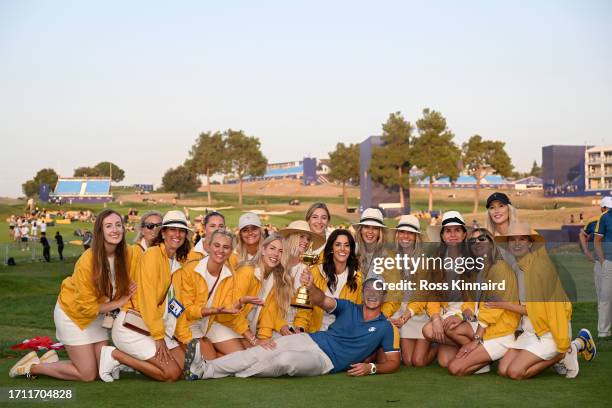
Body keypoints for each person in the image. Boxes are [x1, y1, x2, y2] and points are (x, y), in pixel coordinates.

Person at [9, 209, 140, 380]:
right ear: (100, 232)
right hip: (74, 315)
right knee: (88, 374)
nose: (115, 230)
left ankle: (49, 359)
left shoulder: (129, 253)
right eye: (108, 226)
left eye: (118, 225)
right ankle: (33, 368)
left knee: (102, 368)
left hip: (98, 317)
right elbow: (87, 307)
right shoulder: (88, 261)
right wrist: (121, 301)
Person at [186, 277, 400, 380]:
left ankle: (234, 371)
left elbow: (393, 362)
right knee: (261, 351)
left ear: (384, 296)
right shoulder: (348, 306)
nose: (373, 295)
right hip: (310, 339)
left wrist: (372, 368)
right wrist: (311, 287)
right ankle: (204, 369)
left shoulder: (385, 327)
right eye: (369, 290)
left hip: (326, 362)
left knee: (284, 360)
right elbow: (321, 300)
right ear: (363, 292)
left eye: (378, 291)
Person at [99, 210, 193, 382]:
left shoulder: (177, 263)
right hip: (132, 326)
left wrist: (186, 340)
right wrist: (158, 338)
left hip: (151, 326)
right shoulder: (152, 255)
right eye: (172, 229)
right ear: (163, 233)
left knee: (186, 368)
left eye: (181, 231)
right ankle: (115, 355)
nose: (177, 235)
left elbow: (176, 306)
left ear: (186, 235)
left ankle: (131, 360)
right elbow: (148, 300)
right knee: (172, 374)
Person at [496, 222, 596, 379]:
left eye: (522, 239)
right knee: (503, 369)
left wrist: (501, 304)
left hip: (548, 332)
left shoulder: (540, 268)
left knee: (515, 372)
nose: (516, 243)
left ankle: (563, 354)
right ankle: (578, 343)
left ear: (530, 243)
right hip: (530, 332)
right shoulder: (517, 268)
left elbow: (535, 310)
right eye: (512, 240)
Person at [175, 230, 263, 362]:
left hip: (210, 323)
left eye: (226, 247)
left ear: (231, 251)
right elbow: (186, 311)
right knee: (211, 358)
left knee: (247, 354)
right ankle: (192, 356)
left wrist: (240, 302)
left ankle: (204, 357)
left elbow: (229, 312)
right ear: (209, 246)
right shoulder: (190, 270)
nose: (221, 250)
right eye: (217, 245)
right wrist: (214, 310)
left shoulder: (230, 275)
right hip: (186, 323)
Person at [445, 228, 521, 376]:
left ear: (491, 242)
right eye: (473, 241)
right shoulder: (482, 267)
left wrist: (476, 341)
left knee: (455, 368)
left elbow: (492, 308)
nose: (477, 243)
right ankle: (482, 362)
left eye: (482, 239)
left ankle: (496, 353)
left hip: (501, 331)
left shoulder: (499, 268)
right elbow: (472, 300)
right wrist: (462, 316)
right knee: (451, 328)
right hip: (486, 325)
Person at [422, 210, 475, 369]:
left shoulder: (473, 260)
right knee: (444, 360)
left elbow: (473, 300)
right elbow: (432, 296)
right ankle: (463, 345)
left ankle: (473, 348)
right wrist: (436, 318)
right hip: (448, 314)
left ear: (464, 235)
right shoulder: (436, 261)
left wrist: (461, 316)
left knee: (428, 330)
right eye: (448, 231)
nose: (453, 235)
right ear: (443, 236)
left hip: (470, 315)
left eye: (457, 230)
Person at [227, 234, 294, 349]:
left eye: (281, 251)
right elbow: (232, 310)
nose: (276, 254)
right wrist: (254, 340)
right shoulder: (247, 271)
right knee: (246, 359)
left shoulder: (275, 279)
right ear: (263, 250)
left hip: (246, 330)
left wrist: (265, 338)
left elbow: (269, 313)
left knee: (267, 352)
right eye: (272, 248)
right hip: (229, 324)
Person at [388, 215, 438, 367]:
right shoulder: (391, 258)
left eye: (410, 233)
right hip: (401, 313)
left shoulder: (424, 260)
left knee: (418, 361)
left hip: (419, 313)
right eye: (402, 232)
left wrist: (406, 315)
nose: (405, 236)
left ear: (416, 237)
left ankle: (438, 346)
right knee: (409, 361)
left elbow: (422, 293)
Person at [293, 229, 363, 332]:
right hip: (314, 333)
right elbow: (304, 308)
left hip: (341, 335)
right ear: (331, 248)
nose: (342, 249)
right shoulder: (316, 271)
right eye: (338, 244)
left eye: (347, 245)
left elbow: (357, 314)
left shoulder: (358, 278)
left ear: (351, 250)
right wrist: (300, 327)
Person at [275, 220, 325, 332]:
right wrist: (281, 326)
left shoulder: (308, 270)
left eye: (308, 239)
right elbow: (269, 304)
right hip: (272, 324)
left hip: (296, 326)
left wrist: (299, 328)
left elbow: (305, 308)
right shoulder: (276, 264)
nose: (305, 241)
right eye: (301, 237)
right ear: (292, 237)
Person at [594, 196, 612, 339]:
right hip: (609, 262)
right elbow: (597, 240)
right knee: (606, 296)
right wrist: (602, 260)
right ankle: (603, 331)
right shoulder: (605, 217)